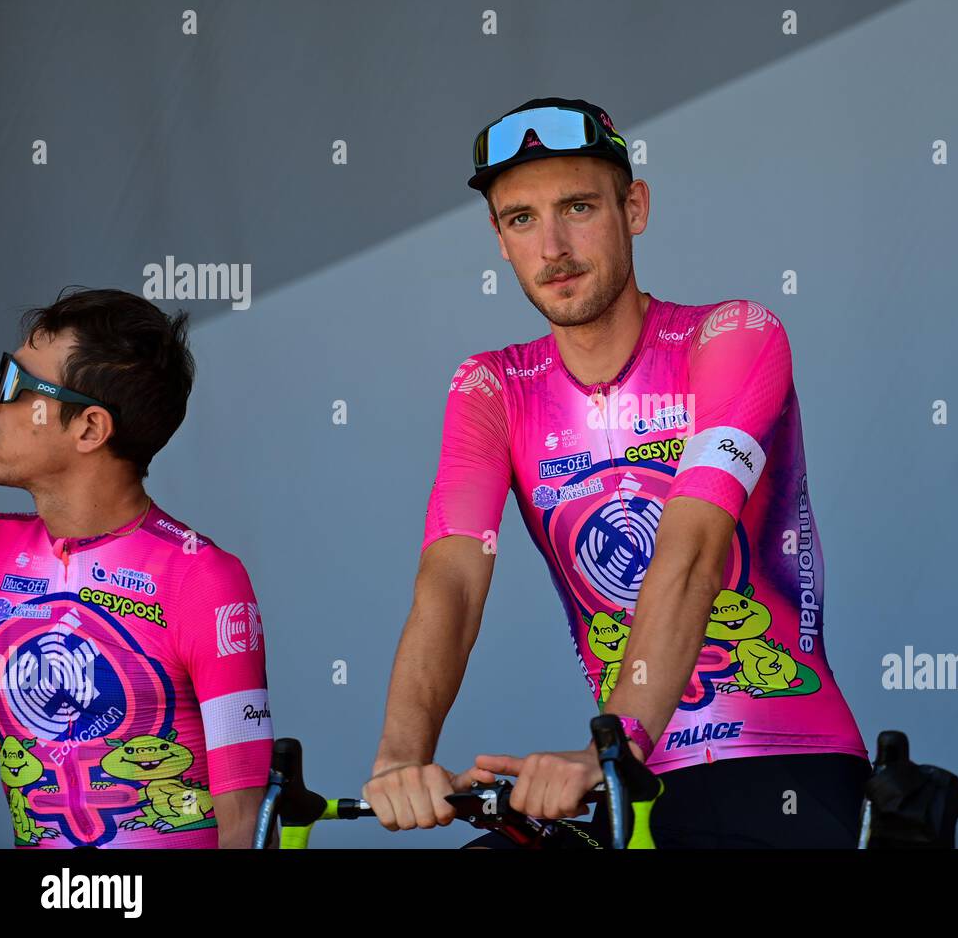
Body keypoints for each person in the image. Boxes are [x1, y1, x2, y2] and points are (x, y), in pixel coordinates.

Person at [364, 97, 868, 847]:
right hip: (628, 778)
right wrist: (402, 756)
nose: (554, 246)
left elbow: (694, 548)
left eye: (577, 207)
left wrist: (622, 738)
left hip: (784, 759)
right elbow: (454, 580)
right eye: (521, 219)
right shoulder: (491, 388)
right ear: (500, 241)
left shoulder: (733, 337)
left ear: (634, 207)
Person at [0, 288, 273, 848]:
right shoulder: (0, 550)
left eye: (14, 386)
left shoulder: (202, 578)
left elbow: (245, 819)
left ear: (90, 429)